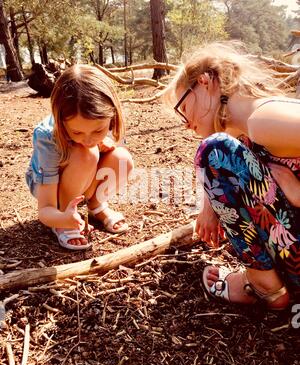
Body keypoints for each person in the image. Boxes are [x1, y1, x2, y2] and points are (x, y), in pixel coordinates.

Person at [163, 41, 300, 310]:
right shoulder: (250, 133)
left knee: (212, 150)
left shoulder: (263, 119)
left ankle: (263, 285)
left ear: (204, 82)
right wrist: (208, 204)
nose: (186, 124)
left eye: (183, 107)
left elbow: (214, 153)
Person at [25, 64, 134, 250]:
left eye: (98, 130)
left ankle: (96, 205)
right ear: (62, 122)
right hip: (50, 189)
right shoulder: (47, 137)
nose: (88, 139)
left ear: (112, 113)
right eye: (76, 132)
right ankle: (63, 218)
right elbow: (44, 209)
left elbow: (97, 147)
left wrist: (100, 145)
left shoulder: (95, 123)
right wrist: (57, 216)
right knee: (87, 154)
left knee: (122, 159)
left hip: (80, 176)